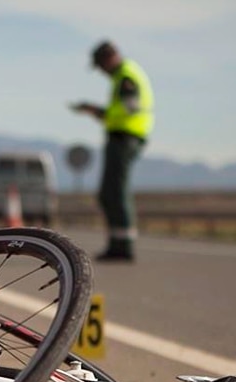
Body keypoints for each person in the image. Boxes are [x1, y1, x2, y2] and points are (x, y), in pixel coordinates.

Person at [71, 40, 154, 262]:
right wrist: (97, 112)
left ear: (109, 59)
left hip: (125, 137)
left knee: (115, 192)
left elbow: (129, 109)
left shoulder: (126, 76)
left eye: (101, 65)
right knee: (110, 193)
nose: (101, 71)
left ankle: (123, 246)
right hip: (123, 136)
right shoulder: (123, 76)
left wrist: (97, 111)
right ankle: (118, 243)